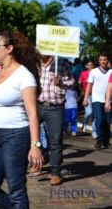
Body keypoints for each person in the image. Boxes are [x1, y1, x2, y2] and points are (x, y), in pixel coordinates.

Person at [0, 31, 43, 208]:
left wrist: (35, 146)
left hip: (16, 136)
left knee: (16, 189)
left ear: (9, 49)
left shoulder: (24, 75)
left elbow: (32, 113)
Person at [35, 54, 74, 186]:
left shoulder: (61, 63)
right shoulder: (35, 63)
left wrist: (62, 82)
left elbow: (72, 82)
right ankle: (35, 164)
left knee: (56, 142)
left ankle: (55, 173)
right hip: (37, 105)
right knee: (31, 137)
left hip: (56, 108)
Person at [83, 52, 112, 149]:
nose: (103, 61)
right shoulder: (93, 72)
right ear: (98, 61)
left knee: (107, 121)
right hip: (96, 100)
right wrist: (85, 98)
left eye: (104, 59)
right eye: (101, 60)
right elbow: (89, 86)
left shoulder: (111, 72)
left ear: (107, 60)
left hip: (109, 101)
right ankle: (99, 140)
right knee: (99, 119)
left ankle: (106, 141)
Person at [78, 59, 96, 136]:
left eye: (91, 65)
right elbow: (79, 83)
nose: (90, 66)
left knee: (95, 113)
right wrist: (81, 91)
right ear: (86, 66)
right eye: (88, 65)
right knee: (89, 112)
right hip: (87, 95)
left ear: (94, 66)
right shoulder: (83, 73)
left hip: (96, 95)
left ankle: (94, 131)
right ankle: (84, 123)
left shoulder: (96, 73)